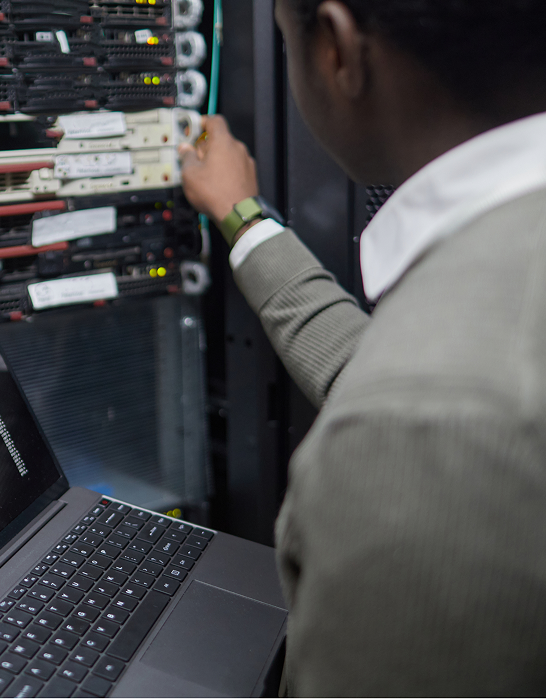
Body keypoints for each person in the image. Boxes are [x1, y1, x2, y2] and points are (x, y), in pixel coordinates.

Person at [179, 0, 546, 695]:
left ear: (339, 51)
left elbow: (419, 413)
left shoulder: (426, 425)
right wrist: (245, 219)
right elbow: (388, 369)